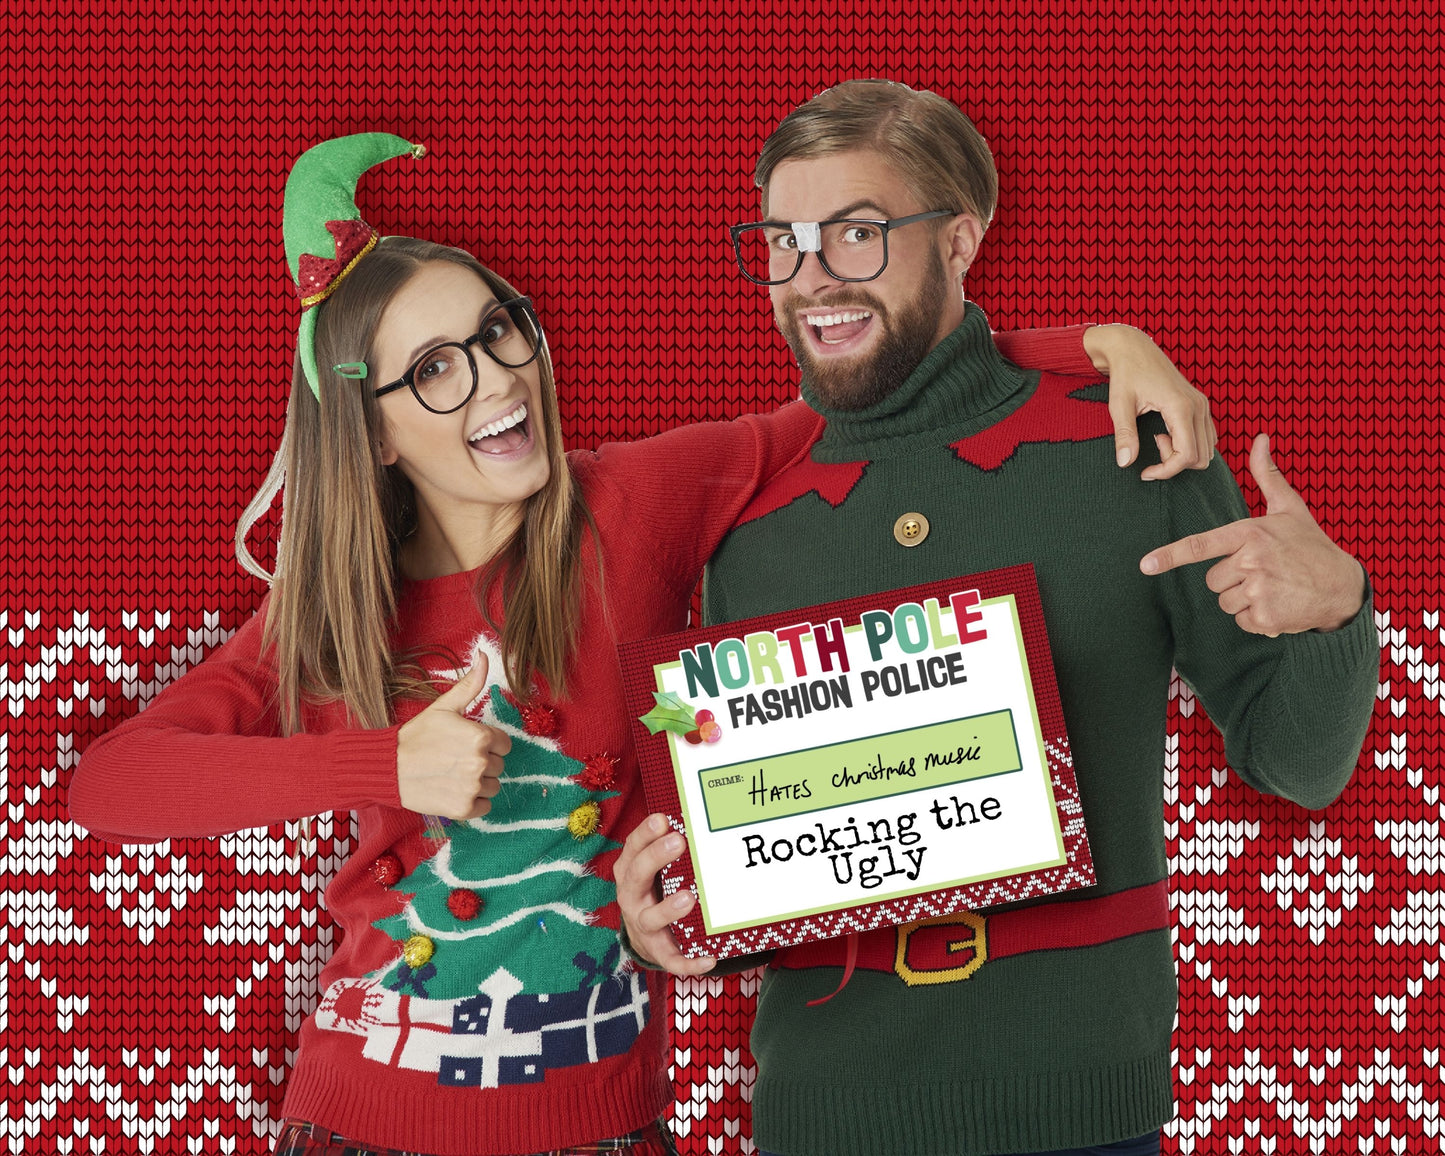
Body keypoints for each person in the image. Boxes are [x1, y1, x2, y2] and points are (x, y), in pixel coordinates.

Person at [68, 133, 1214, 1156]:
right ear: (368, 429)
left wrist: (1099, 344)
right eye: (432, 369)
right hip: (365, 1114)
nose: (496, 378)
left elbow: (880, 392)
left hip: (602, 1120)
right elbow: (109, 784)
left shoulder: (639, 502)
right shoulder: (331, 617)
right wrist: (379, 764)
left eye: (497, 329)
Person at [613, 81, 1378, 1156]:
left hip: (1084, 1109)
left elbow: (1298, 766)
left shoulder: (1128, 446)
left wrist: (1338, 608)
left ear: (960, 238)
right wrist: (670, 923)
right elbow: (786, 842)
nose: (809, 276)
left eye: (858, 234)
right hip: (819, 1114)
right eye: (782, 241)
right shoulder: (747, 509)